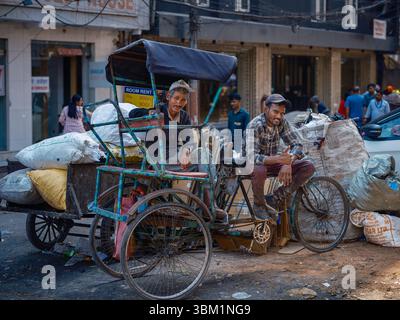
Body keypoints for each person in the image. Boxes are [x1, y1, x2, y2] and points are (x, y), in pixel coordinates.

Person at [129, 80, 228, 223]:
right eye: (176, 98)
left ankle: (207, 204)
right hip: (159, 158)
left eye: (183, 100)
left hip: (176, 157)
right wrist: (149, 114)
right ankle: (208, 205)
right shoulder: (159, 111)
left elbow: (190, 140)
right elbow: (133, 114)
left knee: (204, 154)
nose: (179, 103)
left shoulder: (184, 116)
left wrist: (186, 151)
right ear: (169, 97)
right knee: (203, 157)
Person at [244, 94, 315, 222]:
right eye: (275, 112)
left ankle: (276, 197)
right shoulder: (255, 125)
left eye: (282, 113)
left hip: (274, 163)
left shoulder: (281, 122)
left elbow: (297, 144)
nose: (279, 116)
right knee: (259, 169)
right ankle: (259, 205)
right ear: (266, 110)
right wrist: (279, 160)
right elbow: (251, 157)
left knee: (308, 166)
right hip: (255, 166)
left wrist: (288, 162)